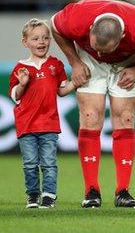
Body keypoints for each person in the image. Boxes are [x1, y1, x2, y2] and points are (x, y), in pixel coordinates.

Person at [51, 0, 135, 208]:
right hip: (87, 60)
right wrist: (74, 62)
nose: (101, 54)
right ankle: (91, 190)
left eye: (106, 50)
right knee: (90, 116)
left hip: (127, 62)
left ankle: (123, 191)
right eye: (97, 47)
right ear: (90, 29)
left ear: (122, 38)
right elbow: (55, 26)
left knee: (125, 117)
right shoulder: (78, 17)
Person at [8, 19, 75, 209]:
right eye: (36, 38)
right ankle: (33, 195)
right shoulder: (21, 68)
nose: (41, 42)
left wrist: (76, 82)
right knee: (29, 164)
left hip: (49, 123)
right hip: (27, 124)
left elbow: (61, 90)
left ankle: (49, 195)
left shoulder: (55, 64)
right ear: (25, 42)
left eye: (45, 37)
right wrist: (22, 84)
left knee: (49, 163)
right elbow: (15, 96)